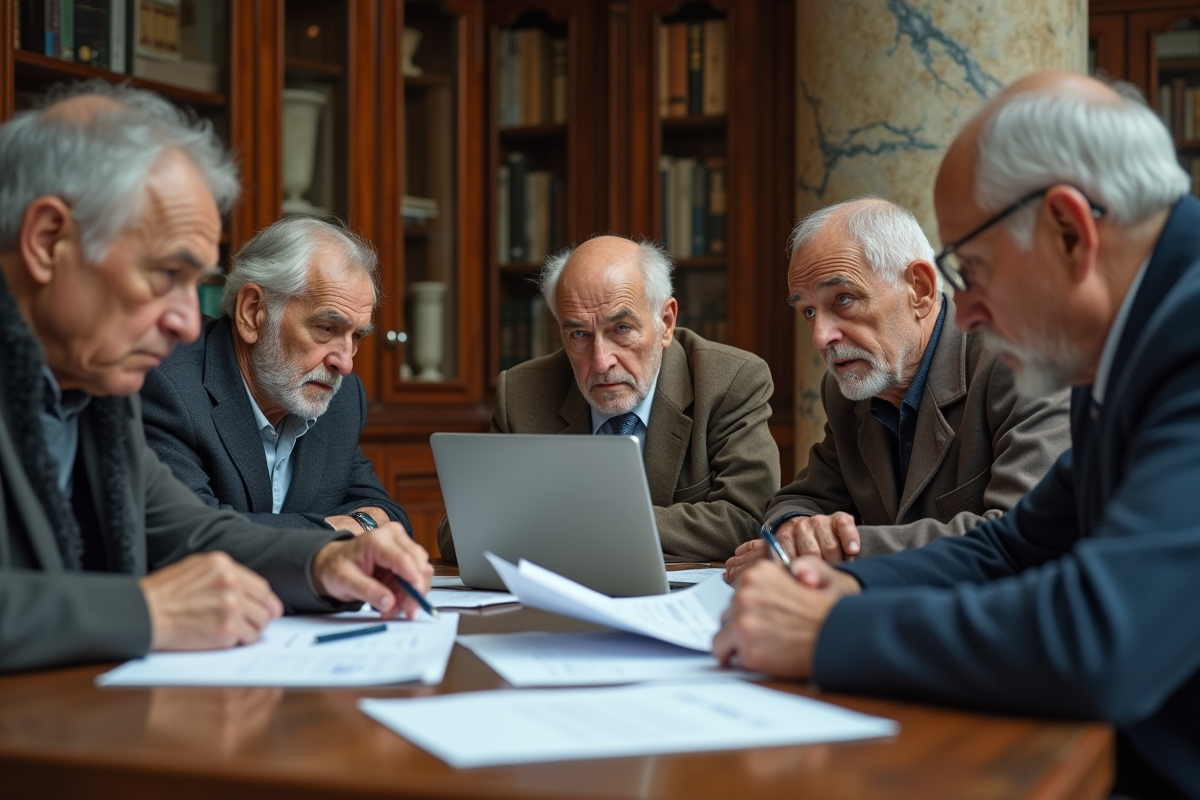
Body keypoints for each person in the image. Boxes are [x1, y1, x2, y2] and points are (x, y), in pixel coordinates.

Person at [713, 72, 1200, 799]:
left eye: (970, 271)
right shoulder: (1130, 344)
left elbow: (1106, 639)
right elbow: (1019, 544)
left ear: (1070, 231)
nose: (963, 312)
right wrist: (840, 581)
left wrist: (828, 634)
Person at [0, 81, 432, 674]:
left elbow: (192, 533)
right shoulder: (133, 380)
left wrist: (325, 563)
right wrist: (144, 613)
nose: (185, 323)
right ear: (48, 241)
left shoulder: (95, 391)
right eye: (165, 273)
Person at [724, 198, 1069, 578]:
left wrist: (836, 553)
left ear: (919, 288)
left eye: (844, 299)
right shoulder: (848, 389)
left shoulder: (1020, 363)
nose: (821, 337)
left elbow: (1023, 536)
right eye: (808, 311)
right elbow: (804, 498)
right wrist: (794, 535)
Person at [437, 234, 780, 563]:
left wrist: (585, 519)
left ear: (665, 321)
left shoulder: (730, 380)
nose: (601, 361)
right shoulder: (522, 392)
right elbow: (459, 532)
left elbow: (746, 518)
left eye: (622, 329)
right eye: (579, 334)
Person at [141, 216, 409, 536]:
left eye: (356, 338)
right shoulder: (167, 384)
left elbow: (389, 516)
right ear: (253, 313)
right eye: (326, 328)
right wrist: (330, 531)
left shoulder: (342, 399)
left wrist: (355, 523)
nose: (345, 364)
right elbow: (189, 534)